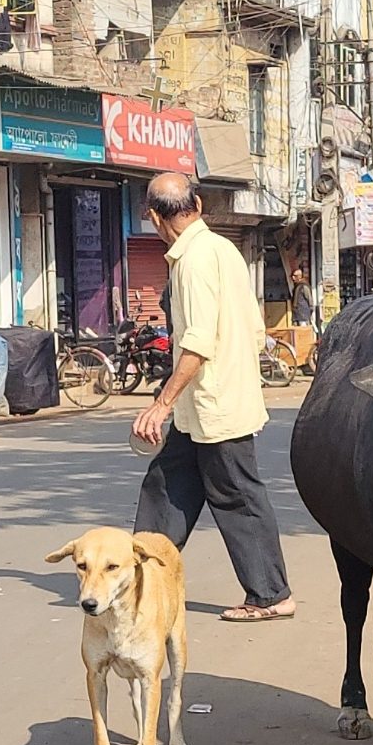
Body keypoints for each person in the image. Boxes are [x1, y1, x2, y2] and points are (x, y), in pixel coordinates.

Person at [131, 173, 293, 623]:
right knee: (167, 485)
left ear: (154, 218)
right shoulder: (223, 250)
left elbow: (197, 343)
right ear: (198, 205)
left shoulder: (194, 261)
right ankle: (141, 579)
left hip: (214, 404)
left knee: (238, 496)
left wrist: (161, 402)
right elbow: (252, 327)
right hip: (207, 404)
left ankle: (270, 594)